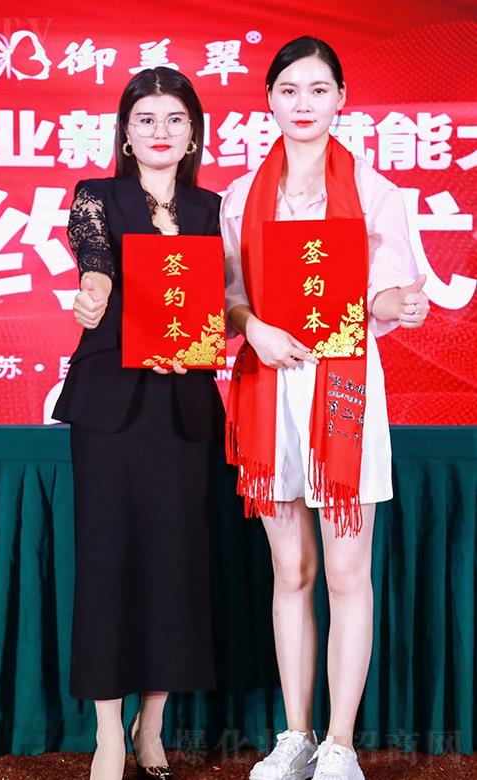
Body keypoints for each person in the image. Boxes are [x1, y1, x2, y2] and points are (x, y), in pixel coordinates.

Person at [220, 36, 429, 780]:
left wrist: (399, 303)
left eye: (318, 89)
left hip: (343, 391)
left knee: (346, 573)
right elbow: (230, 297)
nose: (303, 104)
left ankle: (340, 744)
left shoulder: (375, 191)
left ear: (342, 98)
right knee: (292, 571)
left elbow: (391, 292)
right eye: (288, 90)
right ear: (269, 101)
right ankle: (296, 735)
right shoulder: (241, 195)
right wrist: (255, 329)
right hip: (268, 389)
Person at [52, 66, 224, 780]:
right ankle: (107, 734)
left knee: (174, 561)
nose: (160, 130)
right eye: (145, 118)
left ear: (193, 133)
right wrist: (92, 294)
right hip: (111, 406)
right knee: (107, 559)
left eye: (175, 118)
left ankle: (151, 726)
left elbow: (223, 301)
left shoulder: (213, 208)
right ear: (125, 132)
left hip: (184, 408)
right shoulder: (98, 197)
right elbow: (95, 263)